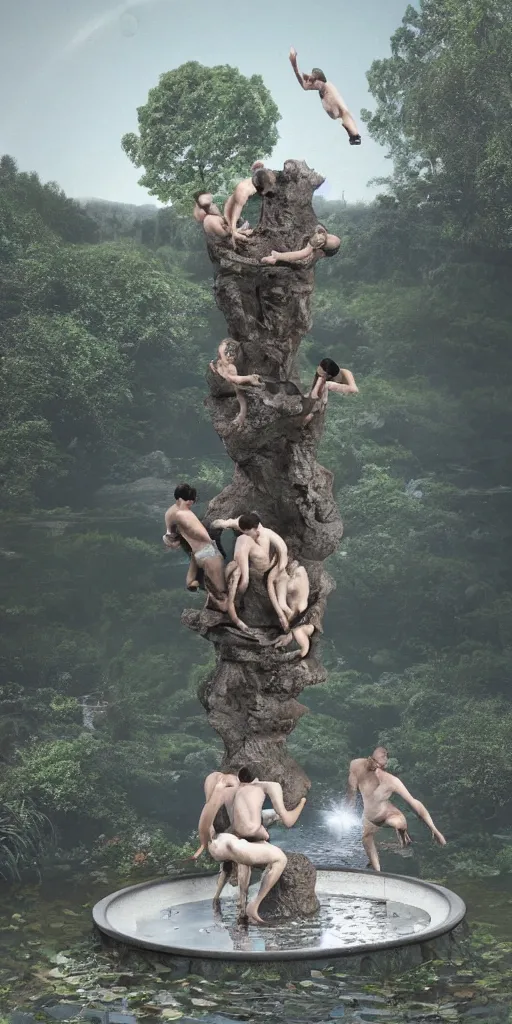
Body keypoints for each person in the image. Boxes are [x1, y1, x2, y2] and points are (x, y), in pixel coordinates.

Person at [346, 746, 447, 872]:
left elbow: (414, 802)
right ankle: (377, 870)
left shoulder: (391, 781)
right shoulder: (357, 765)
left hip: (387, 814)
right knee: (366, 838)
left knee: (399, 823)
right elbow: (351, 788)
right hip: (370, 817)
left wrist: (434, 830)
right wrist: (350, 805)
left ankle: (403, 835)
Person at [163, 483, 228, 612]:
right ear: (179, 499)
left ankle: (200, 589)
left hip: (198, 555)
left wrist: (173, 540)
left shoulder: (171, 513)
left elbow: (170, 536)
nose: (190, 503)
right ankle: (219, 607)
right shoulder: (184, 515)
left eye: (192, 500)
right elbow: (206, 538)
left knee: (200, 585)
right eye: (188, 501)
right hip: (208, 554)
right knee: (222, 595)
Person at [208, 830, 288, 924]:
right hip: (236, 842)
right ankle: (246, 908)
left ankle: (219, 900)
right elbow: (247, 828)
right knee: (278, 859)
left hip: (226, 840)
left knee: (229, 868)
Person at [289, 47, 361, 145]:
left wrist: (354, 134)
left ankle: (355, 135)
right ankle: (353, 134)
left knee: (343, 113)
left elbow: (345, 112)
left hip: (340, 112)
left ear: (319, 80)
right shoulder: (319, 85)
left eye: (312, 81)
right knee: (340, 114)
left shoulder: (328, 87)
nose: (310, 84)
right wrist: (294, 65)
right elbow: (304, 85)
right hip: (335, 110)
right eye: (310, 81)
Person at [212, 514, 288, 597]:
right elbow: (231, 522)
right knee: (241, 546)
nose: (247, 534)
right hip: (248, 557)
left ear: (255, 528)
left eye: (249, 533)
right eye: (245, 532)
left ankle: (244, 581)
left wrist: (281, 567)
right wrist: (223, 524)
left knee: (245, 540)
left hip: (262, 563)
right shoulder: (244, 526)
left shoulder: (266, 533)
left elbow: (282, 548)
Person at [210, 339, 264, 429]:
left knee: (239, 392)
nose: (228, 356)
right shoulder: (220, 361)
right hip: (220, 379)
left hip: (227, 380)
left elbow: (234, 379)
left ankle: (241, 417)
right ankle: (241, 416)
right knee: (238, 391)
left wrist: (249, 378)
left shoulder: (231, 367)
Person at [267, 558, 314, 658]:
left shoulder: (291, 584)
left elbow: (282, 604)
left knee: (298, 635)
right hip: (303, 611)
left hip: (297, 616)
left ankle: (288, 644)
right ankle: (288, 638)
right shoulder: (302, 570)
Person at [223, 163, 277, 241]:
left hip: (249, 208)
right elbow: (235, 213)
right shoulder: (243, 190)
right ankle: (235, 230)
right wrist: (234, 232)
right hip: (232, 215)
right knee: (234, 230)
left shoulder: (268, 175)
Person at [303, 357, 358, 424]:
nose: (319, 376)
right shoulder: (320, 375)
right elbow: (315, 393)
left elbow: (355, 390)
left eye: (322, 375)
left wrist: (332, 385)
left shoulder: (345, 373)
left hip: (346, 400)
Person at [261, 224, 341, 266]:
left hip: (275, 252)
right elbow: (318, 226)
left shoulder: (308, 258)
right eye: (327, 234)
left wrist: (277, 257)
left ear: (321, 253)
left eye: (324, 241)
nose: (323, 236)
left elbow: (300, 255)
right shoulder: (318, 234)